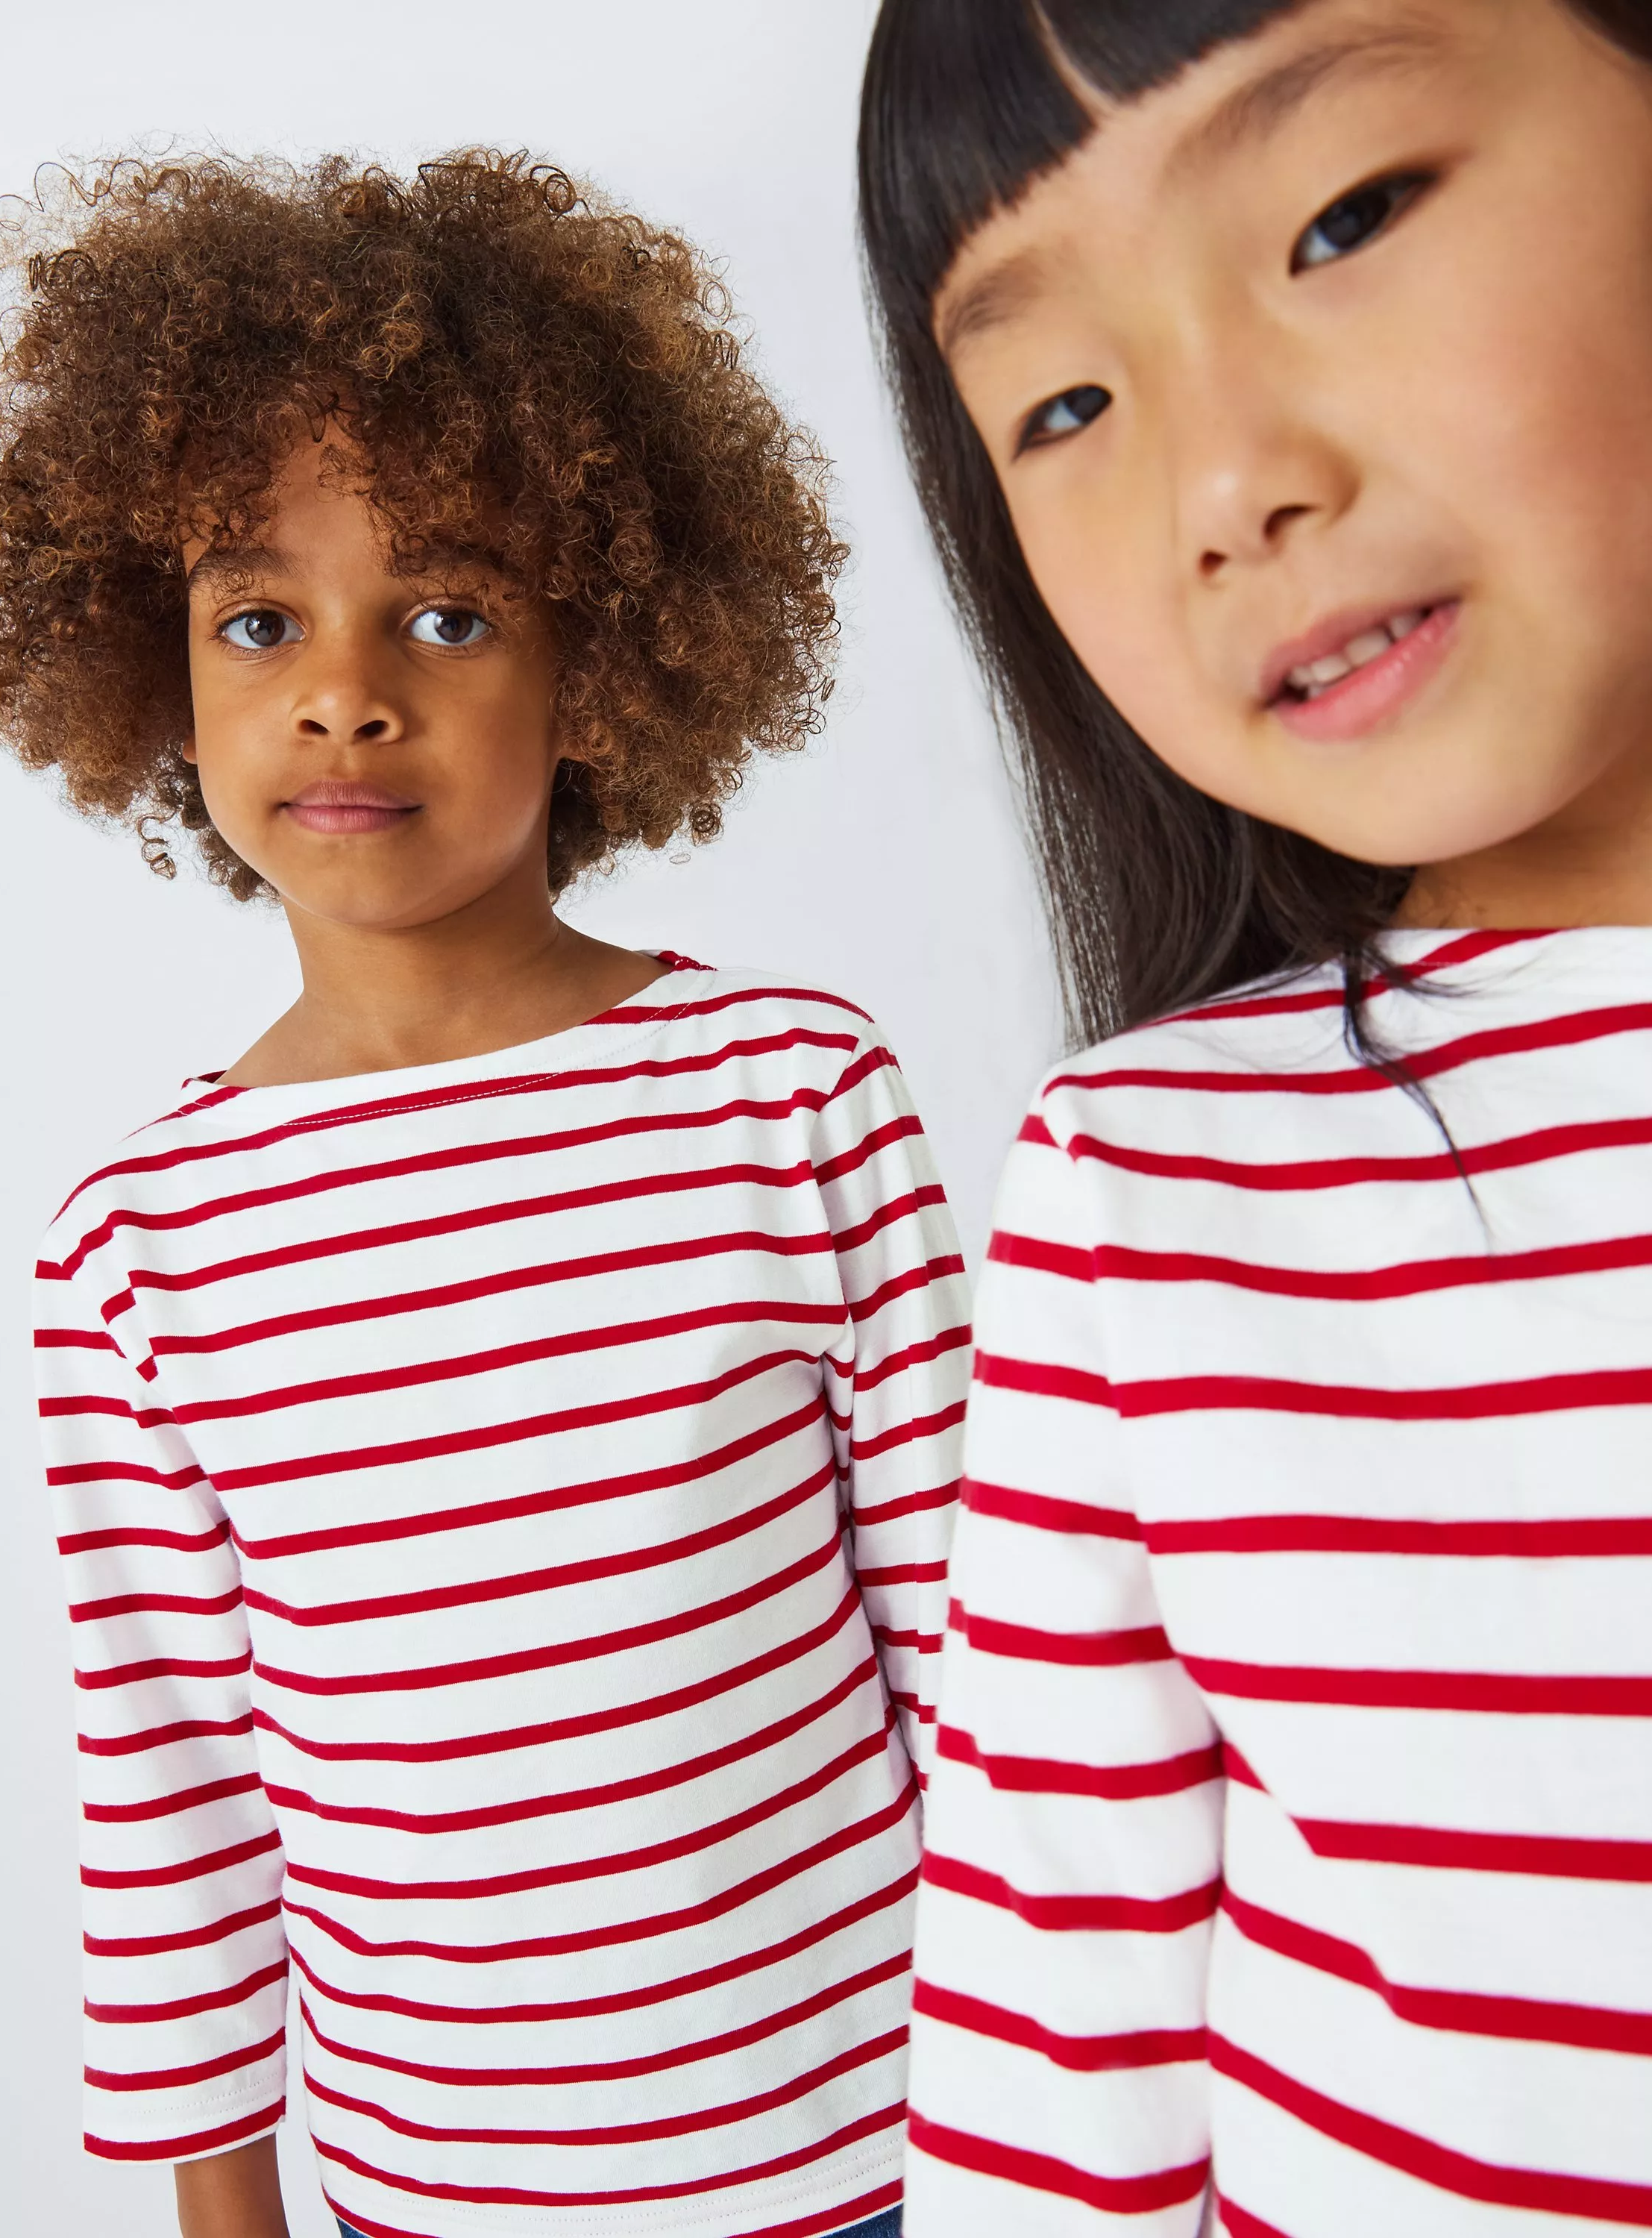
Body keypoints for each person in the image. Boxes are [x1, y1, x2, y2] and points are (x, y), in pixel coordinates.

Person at [0, 153, 967, 2238]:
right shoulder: (137, 1249)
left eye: (449, 610)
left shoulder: (789, 1099)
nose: (344, 690)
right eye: (260, 619)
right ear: (156, 670)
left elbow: (991, 1661)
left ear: (603, 656)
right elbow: (175, 1797)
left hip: (888, 2156)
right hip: (434, 2197)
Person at [858, 0, 1652, 2230]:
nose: (1228, 489)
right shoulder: (1146, 1183)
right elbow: (1058, 2019)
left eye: (1346, 215)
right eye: (1065, 405)